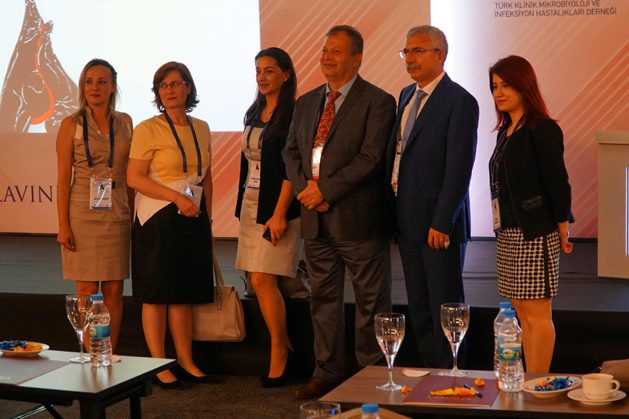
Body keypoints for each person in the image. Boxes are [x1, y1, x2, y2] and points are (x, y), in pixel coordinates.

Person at [283, 25, 396, 399]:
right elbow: (290, 152)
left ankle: (371, 377)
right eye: (324, 50)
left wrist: (326, 190)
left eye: (335, 51)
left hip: (358, 220)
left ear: (357, 58)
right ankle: (326, 372)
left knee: (371, 304)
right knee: (323, 302)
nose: (326, 57)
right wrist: (307, 192)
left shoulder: (378, 101)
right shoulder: (306, 102)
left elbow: (371, 157)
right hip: (315, 220)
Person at [386, 25, 478, 368]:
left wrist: (442, 220)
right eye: (406, 51)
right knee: (420, 308)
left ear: (440, 54)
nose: (409, 58)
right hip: (407, 219)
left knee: (446, 308)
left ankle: (453, 376)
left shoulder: (460, 101)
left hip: (439, 225)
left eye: (418, 51)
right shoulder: (406, 95)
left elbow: (459, 168)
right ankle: (430, 375)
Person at [127, 62, 217, 389]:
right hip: (157, 216)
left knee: (183, 293)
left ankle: (186, 361)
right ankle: (158, 365)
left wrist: (208, 219)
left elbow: (206, 176)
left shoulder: (201, 127)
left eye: (176, 84)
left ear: (188, 88)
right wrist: (176, 197)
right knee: (156, 294)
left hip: (191, 214)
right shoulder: (148, 129)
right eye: (163, 85)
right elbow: (134, 178)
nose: (170, 90)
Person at [488, 55, 573, 373]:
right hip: (508, 232)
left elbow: (557, 181)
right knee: (520, 311)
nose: (499, 93)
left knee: (537, 314)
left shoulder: (542, 128)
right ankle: (522, 381)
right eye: (495, 86)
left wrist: (562, 226)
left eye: (506, 85)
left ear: (524, 86)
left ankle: (537, 382)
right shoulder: (505, 131)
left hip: (535, 231)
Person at [234, 47, 302, 388]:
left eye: (270, 70)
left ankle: (279, 350)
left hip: (277, 207)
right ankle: (283, 342)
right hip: (251, 202)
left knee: (262, 280)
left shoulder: (293, 114)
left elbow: (293, 169)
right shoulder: (254, 111)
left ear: (286, 75)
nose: (262, 77)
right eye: (258, 70)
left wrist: (279, 214)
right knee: (259, 280)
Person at [56, 58, 133, 354]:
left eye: (102, 82)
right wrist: (63, 225)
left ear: (113, 87)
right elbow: (63, 179)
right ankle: (90, 355)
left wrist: (132, 217)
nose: (94, 87)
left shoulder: (125, 122)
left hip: (117, 211)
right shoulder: (71, 124)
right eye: (89, 82)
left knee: (114, 290)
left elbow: (129, 174)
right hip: (82, 214)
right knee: (87, 290)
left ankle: (108, 353)